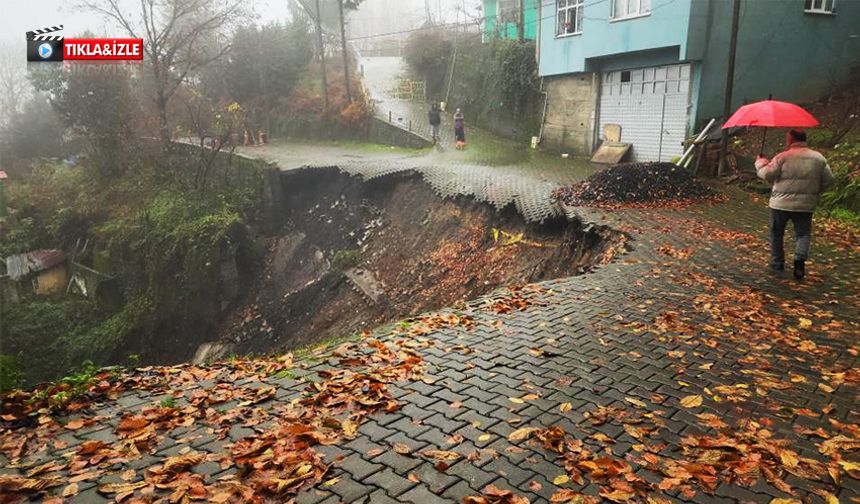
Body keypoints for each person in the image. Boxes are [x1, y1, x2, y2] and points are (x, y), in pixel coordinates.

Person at [755, 129, 834, 280]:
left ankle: (777, 263)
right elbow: (829, 180)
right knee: (803, 234)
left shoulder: (782, 157)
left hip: (780, 204)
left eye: (787, 138)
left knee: (776, 233)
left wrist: (760, 163)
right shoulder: (819, 158)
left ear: (791, 139)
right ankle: (799, 258)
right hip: (806, 205)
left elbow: (767, 175)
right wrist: (814, 191)